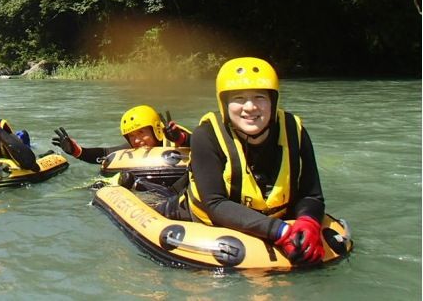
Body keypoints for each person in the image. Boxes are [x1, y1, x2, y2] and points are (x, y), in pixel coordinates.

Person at [161, 57, 326, 265]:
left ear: (273, 101)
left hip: (272, 218)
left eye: (260, 97)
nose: (250, 107)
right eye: (239, 98)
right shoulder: (206, 136)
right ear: (225, 104)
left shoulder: (295, 131)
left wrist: (308, 221)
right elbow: (215, 204)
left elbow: (312, 195)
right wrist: (280, 230)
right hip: (196, 219)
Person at [51, 105, 191, 165]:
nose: (137, 140)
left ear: (156, 130)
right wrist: (76, 150)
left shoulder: (176, 138)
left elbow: (204, 146)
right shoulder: (131, 150)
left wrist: (180, 138)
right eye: (131, 136)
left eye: (141, 133)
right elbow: (104, 153)